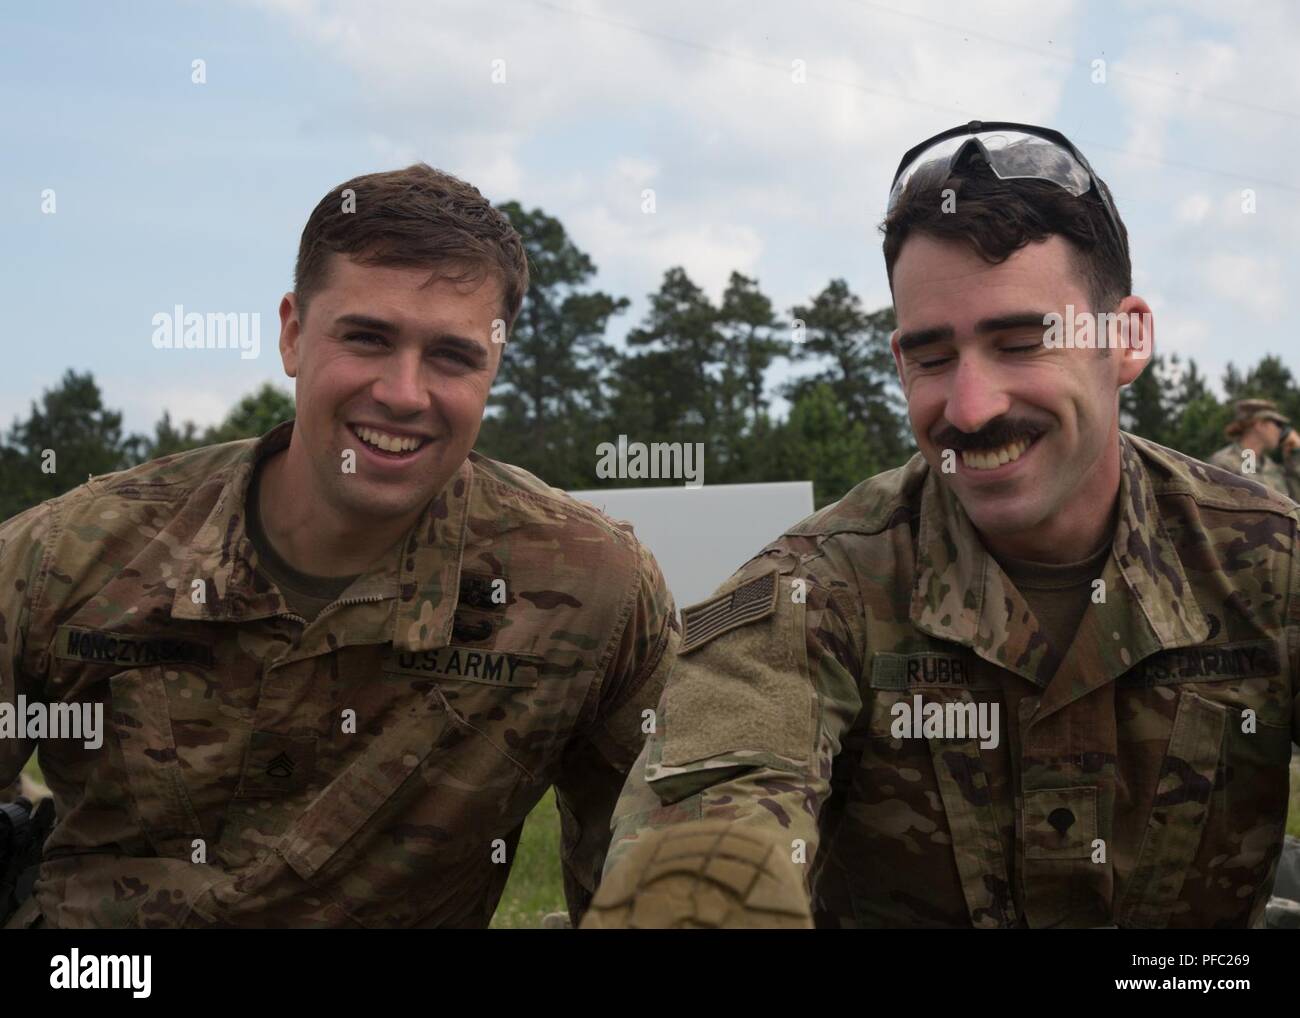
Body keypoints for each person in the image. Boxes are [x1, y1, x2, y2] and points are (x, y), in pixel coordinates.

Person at [598, 121, 1299, 929]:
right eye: (933, 357)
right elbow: (704, 838)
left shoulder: (1268, 565)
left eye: (1021, 341)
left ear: (1126, 338)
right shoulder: (816, 591)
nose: (970, 409)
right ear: (901, 363)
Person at [0, 164, 677, 928]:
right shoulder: (64, 558)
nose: (403, 392)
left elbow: (658, 883)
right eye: (367, 338)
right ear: (292, 334)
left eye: (452, 357)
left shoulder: (592, 593)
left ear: (493, 368)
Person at [1208, 398, 1300, 501]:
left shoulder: (1273, 469)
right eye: (1278, 424)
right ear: (1260, 424)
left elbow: (1294, 507)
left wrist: (1294, 456)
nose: (1280, 430)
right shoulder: (1225, 464)